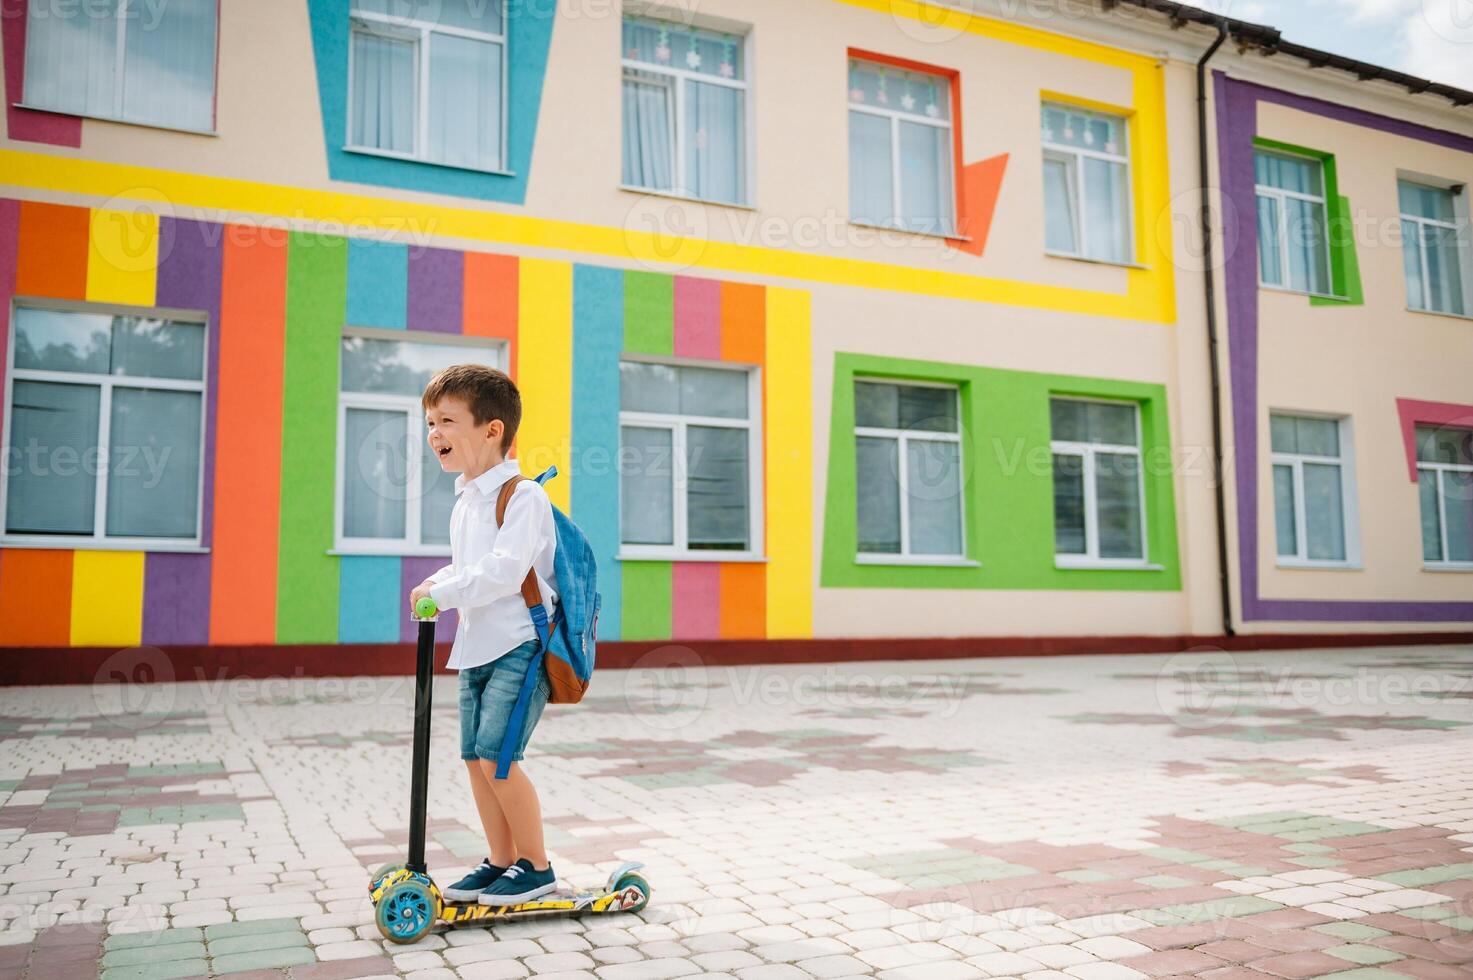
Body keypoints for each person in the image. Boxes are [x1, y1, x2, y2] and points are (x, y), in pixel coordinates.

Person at [408, 364, 558, 906]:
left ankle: (537, 867)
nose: (435, 434)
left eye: (447, 421)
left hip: (520, 644)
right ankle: (501, 861)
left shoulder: (523, 497)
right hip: (476, 645)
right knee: (474, 757)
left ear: (492, 430)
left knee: (499, 756)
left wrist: (445, 594)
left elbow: (501, 570)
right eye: (430, 423)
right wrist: (436, 583)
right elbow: (467, 565)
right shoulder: (466, 499)